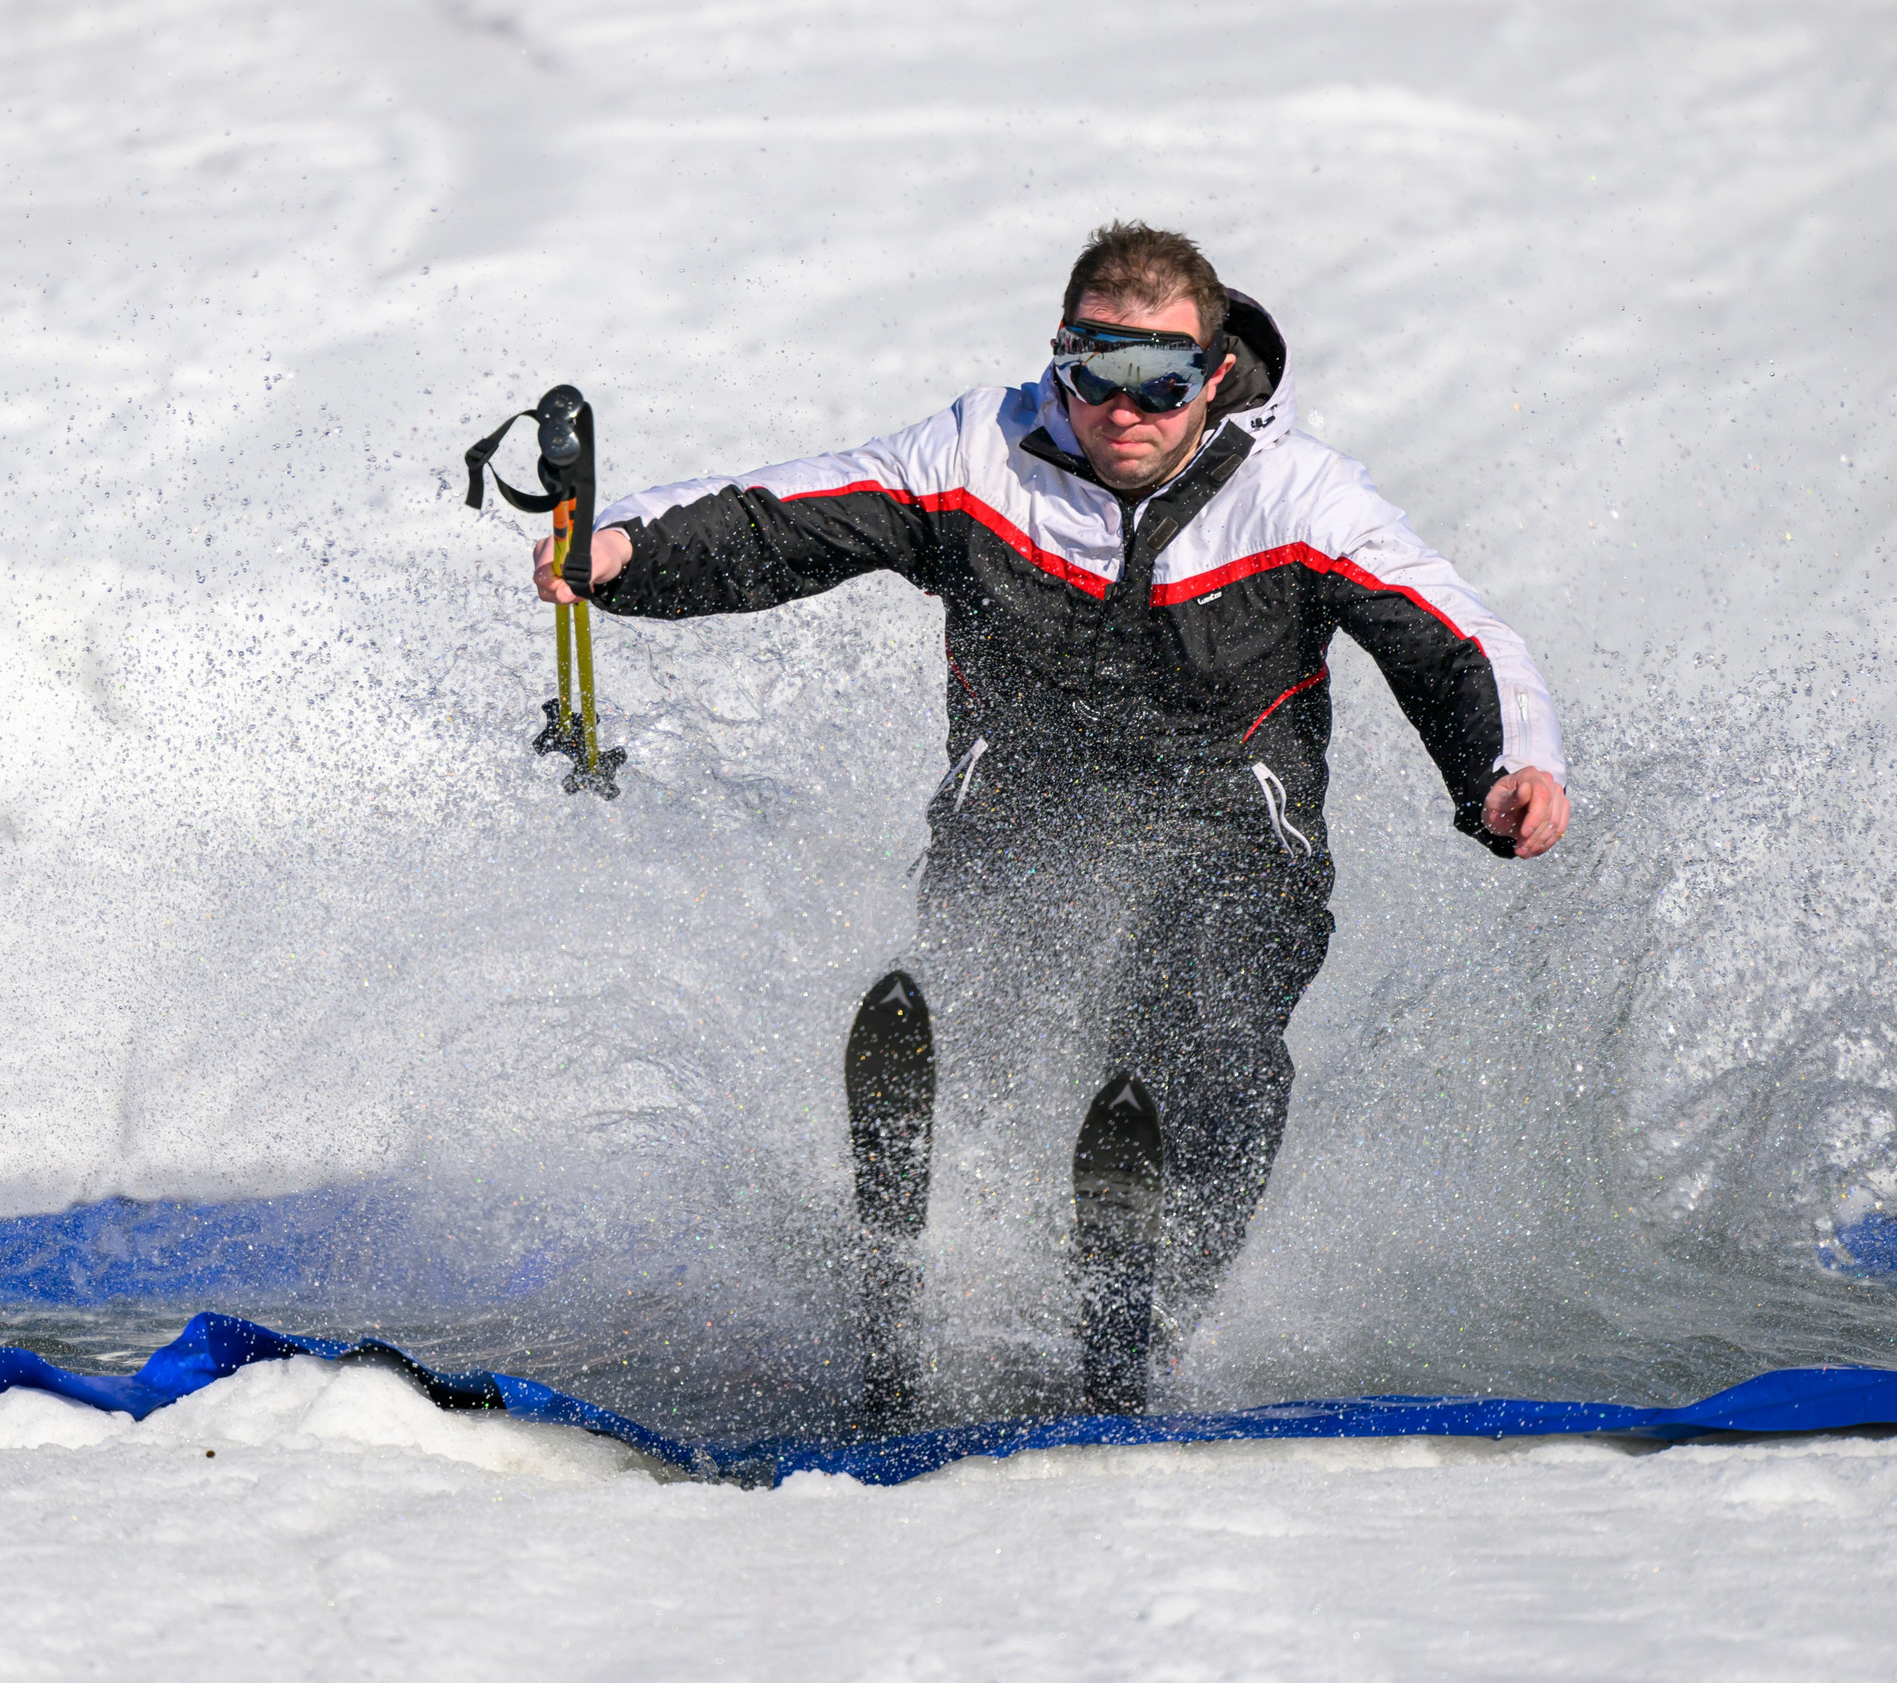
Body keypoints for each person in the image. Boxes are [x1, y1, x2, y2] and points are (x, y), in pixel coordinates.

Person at [534, 223, 1568, 1420]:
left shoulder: (1298, 494)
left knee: (1201, 1028)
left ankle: (1154, 1315)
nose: (1123, 412)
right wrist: (620, 549)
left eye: (1160, 383)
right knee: (988, 981)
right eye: (1095, 374)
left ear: (1214, 376)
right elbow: (790, 514)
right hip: (1018, 812)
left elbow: (1454, 635)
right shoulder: (980, 452)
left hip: (1234, 842)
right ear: (1060, 358)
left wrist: (1509, 766)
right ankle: (911, 1271)